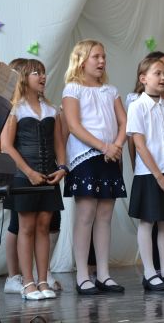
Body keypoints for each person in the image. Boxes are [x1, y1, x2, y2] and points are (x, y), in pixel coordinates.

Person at [62, 40, 127, 295]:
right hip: (85, 157)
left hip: (109, 156)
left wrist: (116, 145)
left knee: (105, 216)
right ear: (81, 61)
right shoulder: (73, 89)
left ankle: (103, 274)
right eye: (96, 57)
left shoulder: (111, 91)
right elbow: (74, 126)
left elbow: (124, 122)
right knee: (86, 214)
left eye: (104, 57)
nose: (101, 61)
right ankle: (82, 275)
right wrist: (103, 146)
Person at [1, 58, 65, 300]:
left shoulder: (51, 110)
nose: (42, 76)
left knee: (43, 228)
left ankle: (43, 280)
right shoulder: (15, 109)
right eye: (36, 73)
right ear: (24, 78)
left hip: (48, 176)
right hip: (23, 177)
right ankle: (27, 283)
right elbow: (7, 146)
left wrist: (62, 168)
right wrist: (29, 172)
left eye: (43, 72)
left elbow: (59, 143)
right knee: (26, 228)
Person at [126, 57, 164, 291]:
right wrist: (159, 176)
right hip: (149, 175)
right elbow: (139, 144)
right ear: (143, 78)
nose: (163, 77)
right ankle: (149, 272)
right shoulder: (137, 106)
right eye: (157, 73)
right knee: (147, 222)